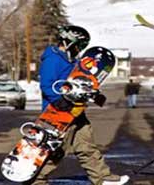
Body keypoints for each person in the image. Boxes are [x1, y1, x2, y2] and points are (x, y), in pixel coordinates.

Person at [37, 25, 129, 185]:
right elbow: (46, 84)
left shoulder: (72, 60)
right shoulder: (53, 58)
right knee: (57, 151)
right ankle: (35, 179)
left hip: (76, 111)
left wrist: (95, 95)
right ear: (69, 42)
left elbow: (81, 82)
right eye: (79, 46)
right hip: (58, 114)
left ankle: (102, 178)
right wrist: (58, 100)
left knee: (86, 146)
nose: (80, 50)